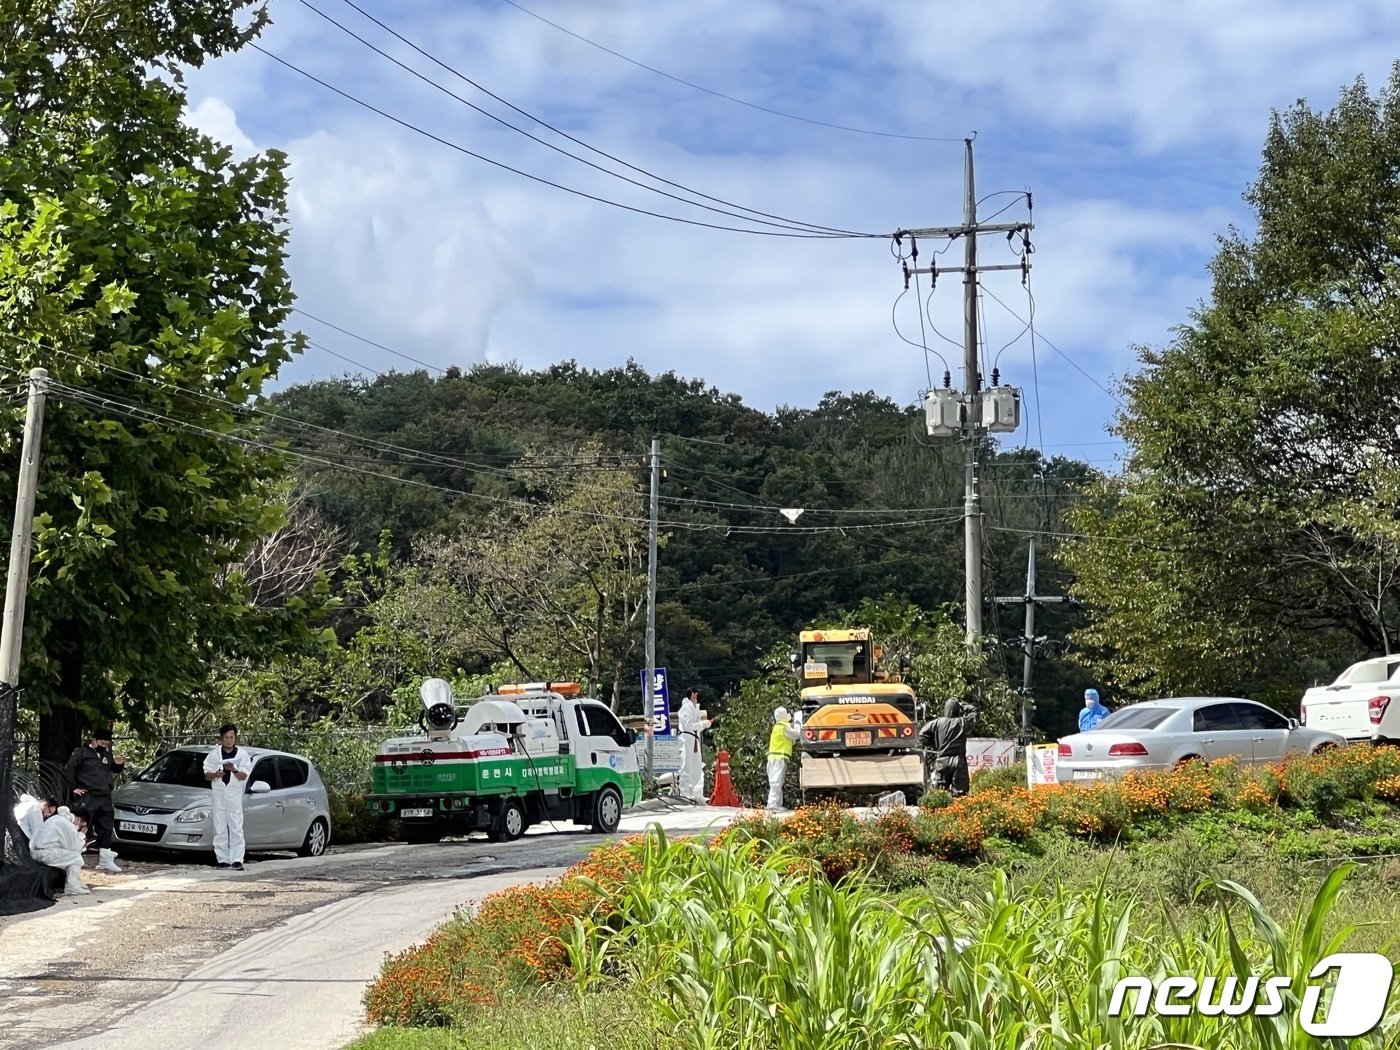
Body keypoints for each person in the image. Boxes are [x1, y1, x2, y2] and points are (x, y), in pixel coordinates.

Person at [63, 725, 125, 872]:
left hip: (104, 796)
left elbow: (113, 769)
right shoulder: (81, 752)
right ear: (94, 740)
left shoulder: (107, 755)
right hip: (87, 794)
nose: (104, 746)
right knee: (81, 826)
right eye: (102, 743)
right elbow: (69, 768)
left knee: (106, 827)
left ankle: (105, 859)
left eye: (107, 744)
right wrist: (73, 787)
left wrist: (119, 764)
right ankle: (72, 858)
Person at [203, 723, 253, 870]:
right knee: (219, 826)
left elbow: (244, 776)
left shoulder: (242, 755)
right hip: (219, 792)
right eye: (226, 737)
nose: (229, 740)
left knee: (236, 825)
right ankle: (222, 859)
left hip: (234, 793)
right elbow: (206, 775)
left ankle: (237, 859)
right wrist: (216, 774)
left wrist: (234, 769)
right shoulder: (214, 754)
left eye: (232, 737)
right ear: (222, 738)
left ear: (235, 738)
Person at [918, 699, 979, 797]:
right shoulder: (962, 722)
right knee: (960, 794)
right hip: (958, 760)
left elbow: (921, 735)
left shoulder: (937, 723)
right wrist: (965, 705)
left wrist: (935, 744)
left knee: (940, 793)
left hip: (942, 760)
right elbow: (973, 713)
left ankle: (940, 810)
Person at [29, 807, 92, 895]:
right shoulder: (68, 825)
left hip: (35, 852)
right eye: (81, 826)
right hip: (45, 853)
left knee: (70, 857)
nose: (78, 828)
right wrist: (81, 836)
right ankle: (72, 886)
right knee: (76, 858)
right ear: (78, 819)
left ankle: (75, 883)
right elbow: (74, 849)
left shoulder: (56, 818)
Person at [677, 689, 714, 804]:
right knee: (686, 765)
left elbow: (696, 726)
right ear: (691, 694)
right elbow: (689, 725)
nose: (696, 695)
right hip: (687, 737)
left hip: (694, 738)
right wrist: (703, 724)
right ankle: (685, 792)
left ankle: (697, 793)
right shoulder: (685, 708)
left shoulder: (694, 708)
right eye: (694, 693)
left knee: (697, 766)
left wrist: (705, 724)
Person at [766, 706, 802, 812]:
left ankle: (777, 804)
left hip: (774, 757)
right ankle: (772, 804)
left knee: (778, 781)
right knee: (776, 782)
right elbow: (796, 735)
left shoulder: (778, 726)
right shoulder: (784, 727)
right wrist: (798, 724)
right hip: (778, 757)